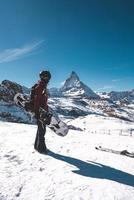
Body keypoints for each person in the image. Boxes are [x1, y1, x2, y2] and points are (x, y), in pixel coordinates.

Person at [30, 70, 51, 153]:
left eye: (48, 77)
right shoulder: (40, 87)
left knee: (40, 129)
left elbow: (43, 101)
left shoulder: (43, 86)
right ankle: (41, 149)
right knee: (42, 130)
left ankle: (37, 146)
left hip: (42, 112)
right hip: (40, 112)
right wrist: (37, 112)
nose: (48, 79)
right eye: (46, 77)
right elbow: (37, 101)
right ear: (42, 77)